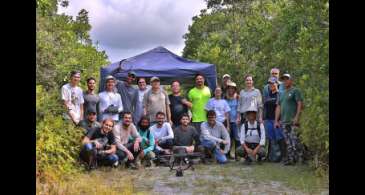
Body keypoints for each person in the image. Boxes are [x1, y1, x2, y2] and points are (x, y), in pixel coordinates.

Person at [274, 73, 304, 165]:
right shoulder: (281, 93)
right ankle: (291, 159)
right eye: (284, 79)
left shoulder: (296, 91)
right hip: (284, 121)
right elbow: (278, 107)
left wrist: (297, 117)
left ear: (291, 80)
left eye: (287, 79)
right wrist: (276, 120)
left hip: (293, 121)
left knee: (295, 140)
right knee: (288, 142)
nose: (285, 81)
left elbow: (300, 104)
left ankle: (301, 158)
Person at [263, 77, 285, 162]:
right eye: (270, 83)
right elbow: (265, 107)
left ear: (277, 84)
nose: (271, 85)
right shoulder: (267, 94)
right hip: (268, 119)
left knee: (279, 138)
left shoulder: (280, 94)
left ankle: (283, 157)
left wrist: (279, 119)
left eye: (273, 83)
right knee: (271, 139)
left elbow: (281, 108)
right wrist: (263, 118)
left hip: (277, 120)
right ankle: (272, 157)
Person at [224, 81, 241, 159]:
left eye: (232, 88)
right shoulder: (225, 98)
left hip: (235, 120)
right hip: (227, 121)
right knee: (228, 138)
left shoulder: (238, 97)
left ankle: (237, 155)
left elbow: (239, 108)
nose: (231, 90)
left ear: (235, 89)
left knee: (237, 138)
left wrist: (238, 117)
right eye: (229, 88)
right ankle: (227, 154)